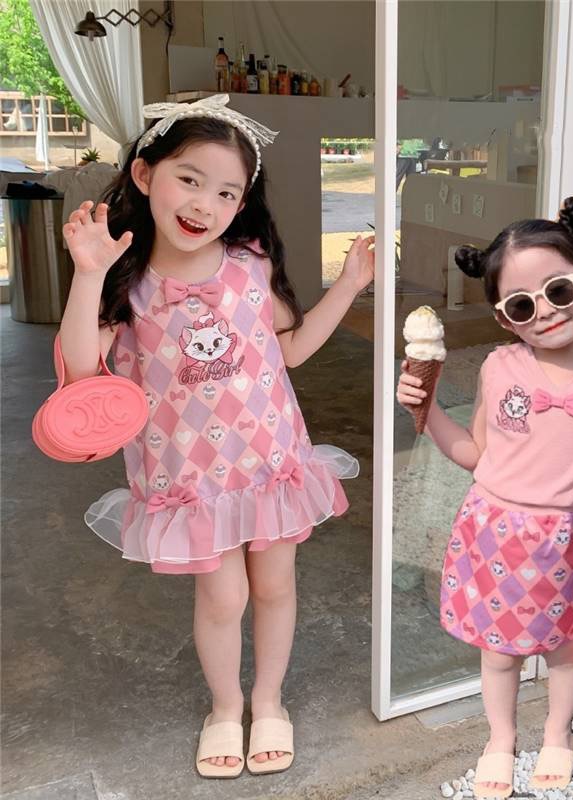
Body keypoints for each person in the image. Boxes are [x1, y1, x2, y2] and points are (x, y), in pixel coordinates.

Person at [58, 94, 375, 779]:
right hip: (192, 480)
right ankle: (226, 708)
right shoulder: (126, 279)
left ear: (242, 204)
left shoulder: (251, 263)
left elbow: (290, 350)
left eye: (227, 192)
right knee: (223, 596)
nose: (206, 204)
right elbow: (82, 370)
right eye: (190, 179)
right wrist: (88, 275)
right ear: (145, 174)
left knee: (276, 586)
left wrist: (349, 285)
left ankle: (270, 701)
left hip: (268, 463)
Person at [396, 198, 573, 797]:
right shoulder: (498, 369)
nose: (545, 311)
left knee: (566, 649)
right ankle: (501, 739)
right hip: (497, 534)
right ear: (505, 319)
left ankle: (558, 733)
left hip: (572, 540)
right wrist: (426, 412)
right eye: (521, 304)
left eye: (558, 290)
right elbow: (475, 454)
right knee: (499, 653)